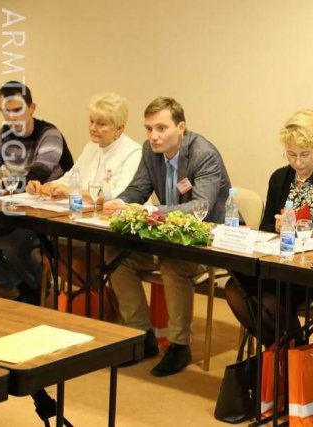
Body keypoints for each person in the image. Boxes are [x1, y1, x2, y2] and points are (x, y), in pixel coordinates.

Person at [103, 96, 231, 377]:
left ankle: (179, 346)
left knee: (173, 265)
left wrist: (151, 210)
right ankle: (141, 336)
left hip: (206, 241)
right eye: (149, 129)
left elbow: (200, 208)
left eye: (161, 128)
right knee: (117, 257)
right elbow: (138, 189)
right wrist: (121, 203)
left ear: (181, 127)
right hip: (167, 237)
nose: (153, 136)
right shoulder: (150, 151)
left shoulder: (203, 154)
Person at [225, 109, 313, 346]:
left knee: (270, 299)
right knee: (235, 289)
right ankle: (281, 353)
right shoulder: (279, 178)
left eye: (305, 154)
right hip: (281, 263)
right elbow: (265, 226)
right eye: (291, 154)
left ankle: (289, 351)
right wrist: (277, 227)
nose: (298, 162)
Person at [0, 80, 74, 304]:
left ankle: (35, 287)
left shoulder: (49, 135)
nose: (12, 117)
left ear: (32, 108)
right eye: (6, 111)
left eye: (17, 109)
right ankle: (22, 286)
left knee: (16, 246)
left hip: (47, 216)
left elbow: (36, 177)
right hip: (14, 210)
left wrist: (6, 186)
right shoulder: (2, 135)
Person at [27, 92, 141, 203]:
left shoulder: (133, 153)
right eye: (91, 121)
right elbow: (70, 179)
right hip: (85, 211)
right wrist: (43, 187)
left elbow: (121, 194)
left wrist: (71, 192)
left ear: (120, 128)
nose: (93, 128)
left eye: (101, 124)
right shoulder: (90, 147)